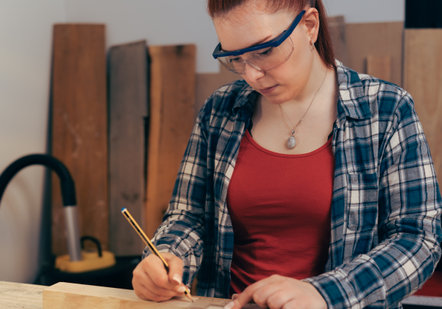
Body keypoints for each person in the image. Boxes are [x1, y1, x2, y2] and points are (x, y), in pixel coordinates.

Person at [131, 0, 442, 308]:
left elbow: (418, 240)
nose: (251, 75)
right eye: (235, 58)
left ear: (309, 25)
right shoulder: (220, 110)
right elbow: (188, 216)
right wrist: (166, 256)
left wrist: (324, 293)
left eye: (265, 51)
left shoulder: (386, 109)